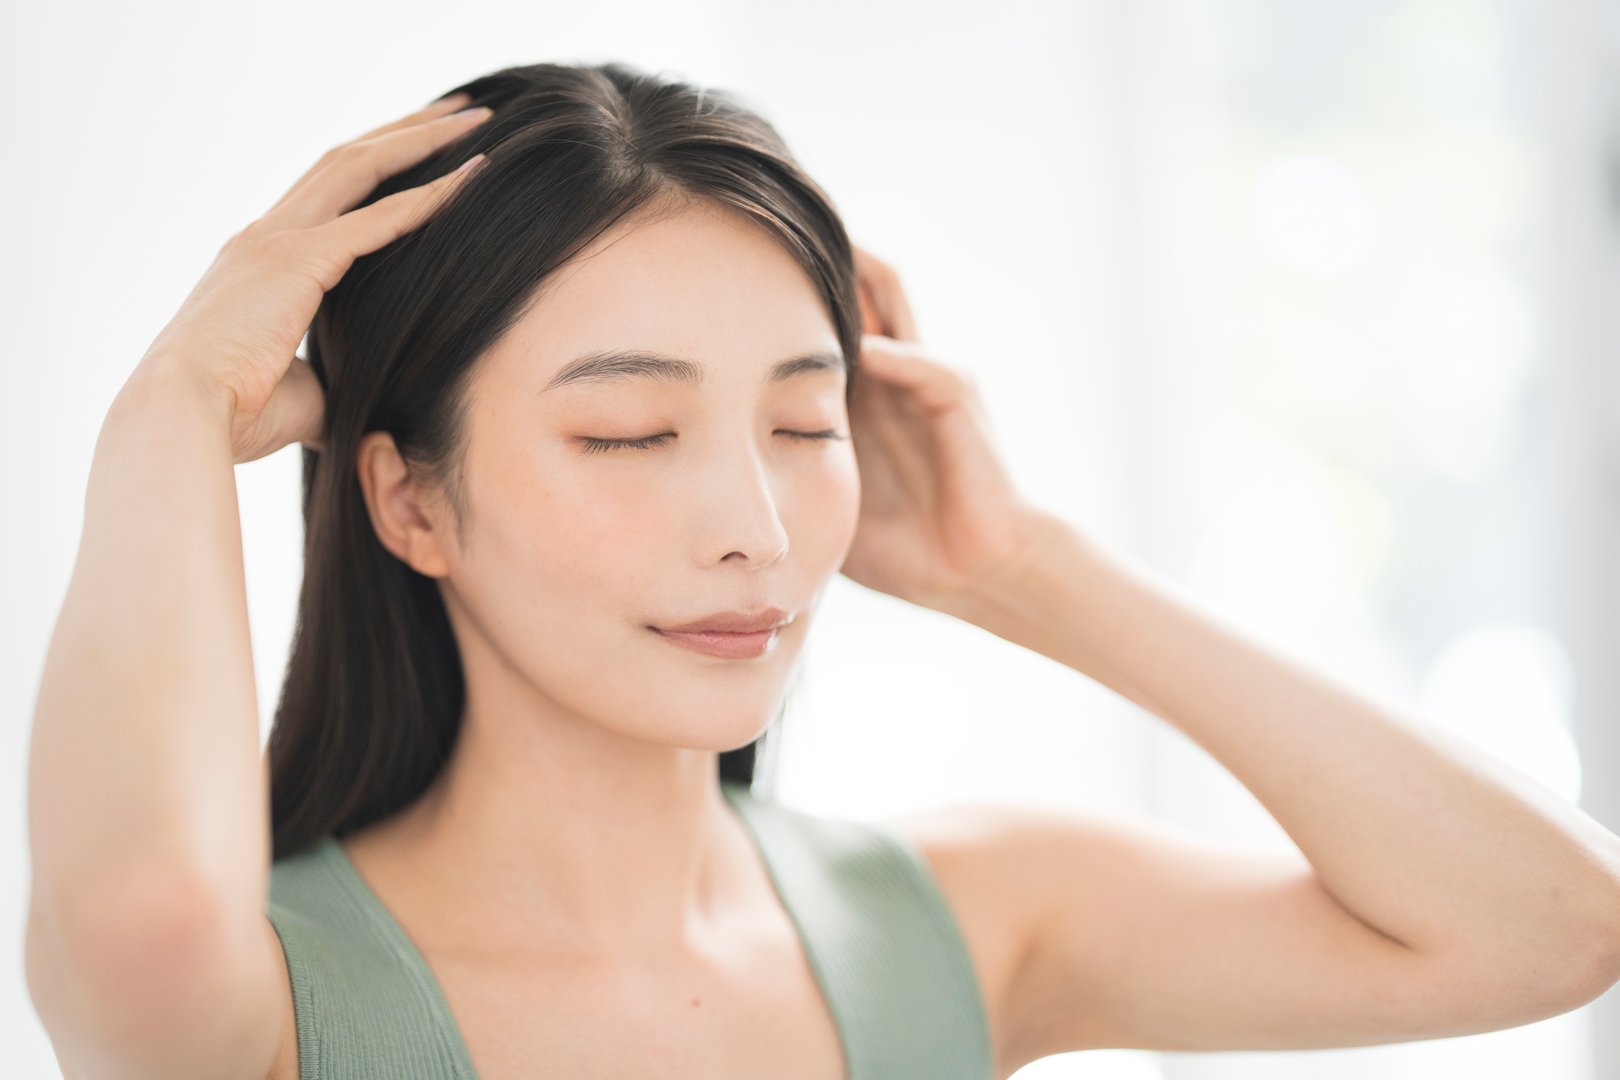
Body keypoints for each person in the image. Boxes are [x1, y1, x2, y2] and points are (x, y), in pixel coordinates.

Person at [25, 59, 1620, 1080]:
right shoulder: (272, 997)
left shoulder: (962, 926)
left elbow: (1548, 926)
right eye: (631, 433)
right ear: (410, 502)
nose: (755, 524)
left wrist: (1024, 567)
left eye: (805, 421)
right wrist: (172, 408)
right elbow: (147, 916)